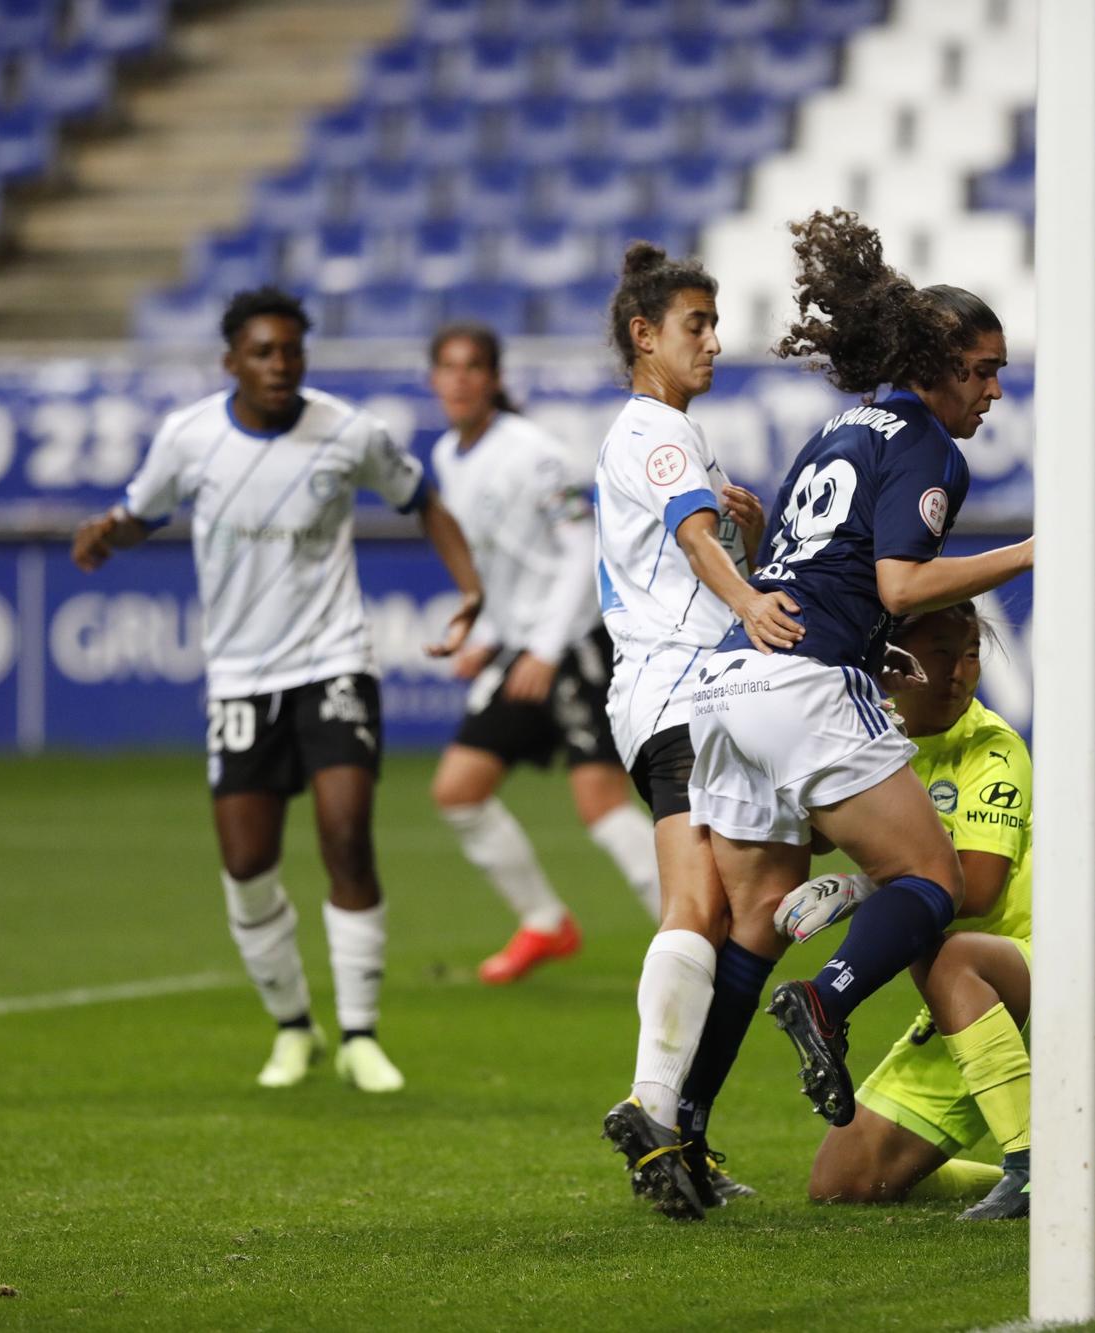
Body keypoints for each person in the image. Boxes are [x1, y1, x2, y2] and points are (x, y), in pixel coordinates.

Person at [70, 286, 484, 1093]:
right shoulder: (188, 438)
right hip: (239, 676)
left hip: (333, 662)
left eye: (292, 350)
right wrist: (106, 535)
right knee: (248, 863)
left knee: (346, 834)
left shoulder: (348, 432)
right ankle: (295, 1028)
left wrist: (469, 590)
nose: (280, 365)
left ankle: (361, 1033)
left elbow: (422, 499)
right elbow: (138, 511)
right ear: (231, 360)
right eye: (263, 352)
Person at [686, 208, 1035, 1134]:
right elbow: (903, 580)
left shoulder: (842, 424)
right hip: (803, 682)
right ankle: (830, 1000)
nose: (995, 390)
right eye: (984, 369)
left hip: (729, 683)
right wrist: (1038, 548)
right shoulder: (928, 445)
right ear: (935, 363)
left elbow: (832, 573)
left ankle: (682, 1119)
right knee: (933, 877)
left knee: (754, 918)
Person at [591, 241, 801, 1220]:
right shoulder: (658, 433)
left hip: (668, 690)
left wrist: (738, 533)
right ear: (645, 337)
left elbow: (693, 536)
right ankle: (653, 1101)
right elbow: (689, 535)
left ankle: (674, 1124)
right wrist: (752, 597)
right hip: (683, 690)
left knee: (733, 910)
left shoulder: (666, 431)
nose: (713, 342)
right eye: (694, 327)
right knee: (706, 905)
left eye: (714, 324)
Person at [777, 602, 1036, 1221]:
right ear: (893, 664)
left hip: (1034, 969)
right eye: (940, 655)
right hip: (966, 1005)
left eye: (969, 654)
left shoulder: (992, 750)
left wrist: (858, 891)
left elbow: (976, 891)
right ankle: (1018, 1165)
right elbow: (811, 834)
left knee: (947, 955)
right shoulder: (873, 742)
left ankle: (1036, 1164)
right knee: (842, 1183)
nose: (958, 673)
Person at [422, 322, 663, 985]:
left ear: (495, 379)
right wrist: (490, 639)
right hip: (524, 646)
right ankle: (544, 922)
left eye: (474, 366)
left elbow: (580, 553)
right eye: (449, 367)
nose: (461, 378)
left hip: (579, 641)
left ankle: (691, 933)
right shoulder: (448, 456)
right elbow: (506, 570)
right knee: (459, 791)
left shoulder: (535, 454)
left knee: (601, 803)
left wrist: (546, 647)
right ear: (433, 381)